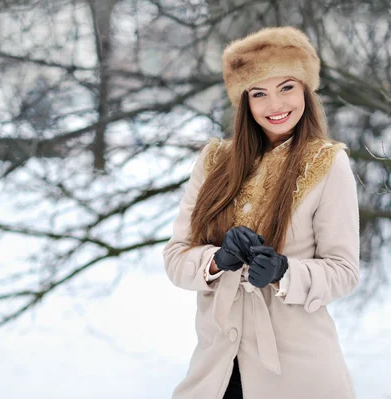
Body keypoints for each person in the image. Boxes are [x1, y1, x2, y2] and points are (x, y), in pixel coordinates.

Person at [163, 26, 360, 399]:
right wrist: (217, 260)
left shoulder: (328, 163)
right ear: (245, 102)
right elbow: (176, 258)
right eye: (259, 93)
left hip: (298, 373)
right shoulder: (213, 161)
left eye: (286, 87)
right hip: (215, 369)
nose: (275, 105)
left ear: (305, 89)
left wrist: (285, 272)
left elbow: (344, 271)